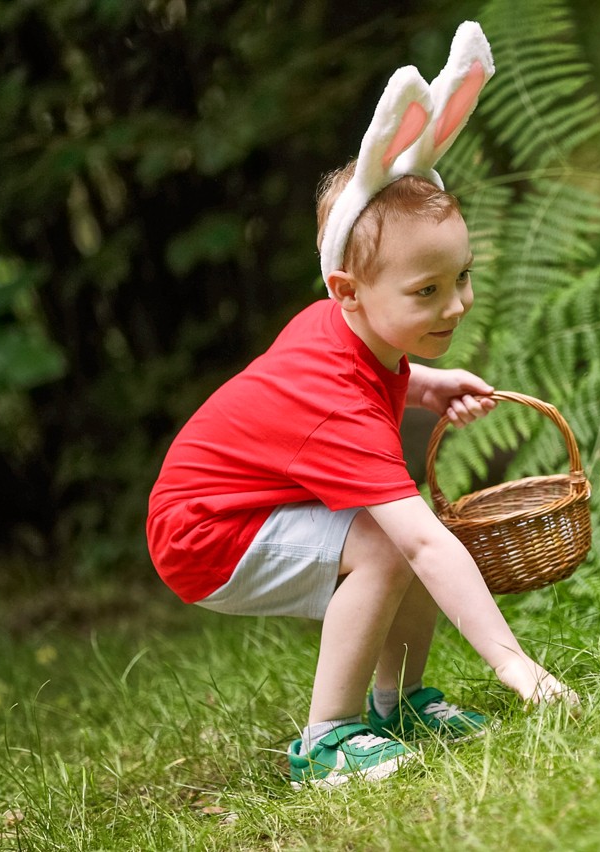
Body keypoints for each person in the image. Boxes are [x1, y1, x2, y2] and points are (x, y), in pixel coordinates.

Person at [146, 22, 577, 789]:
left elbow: (367, 377)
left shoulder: (342, 330)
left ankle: (399, 703)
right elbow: (425, 546)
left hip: (226, 506)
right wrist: (515, 664)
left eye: (461, 278)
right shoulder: (333, 405)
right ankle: (326, 738)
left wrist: (425, 385)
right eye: (427, 291)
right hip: (204, 534)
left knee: (393, 536)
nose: (458, 305)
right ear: (349, 290)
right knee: (391, 543)